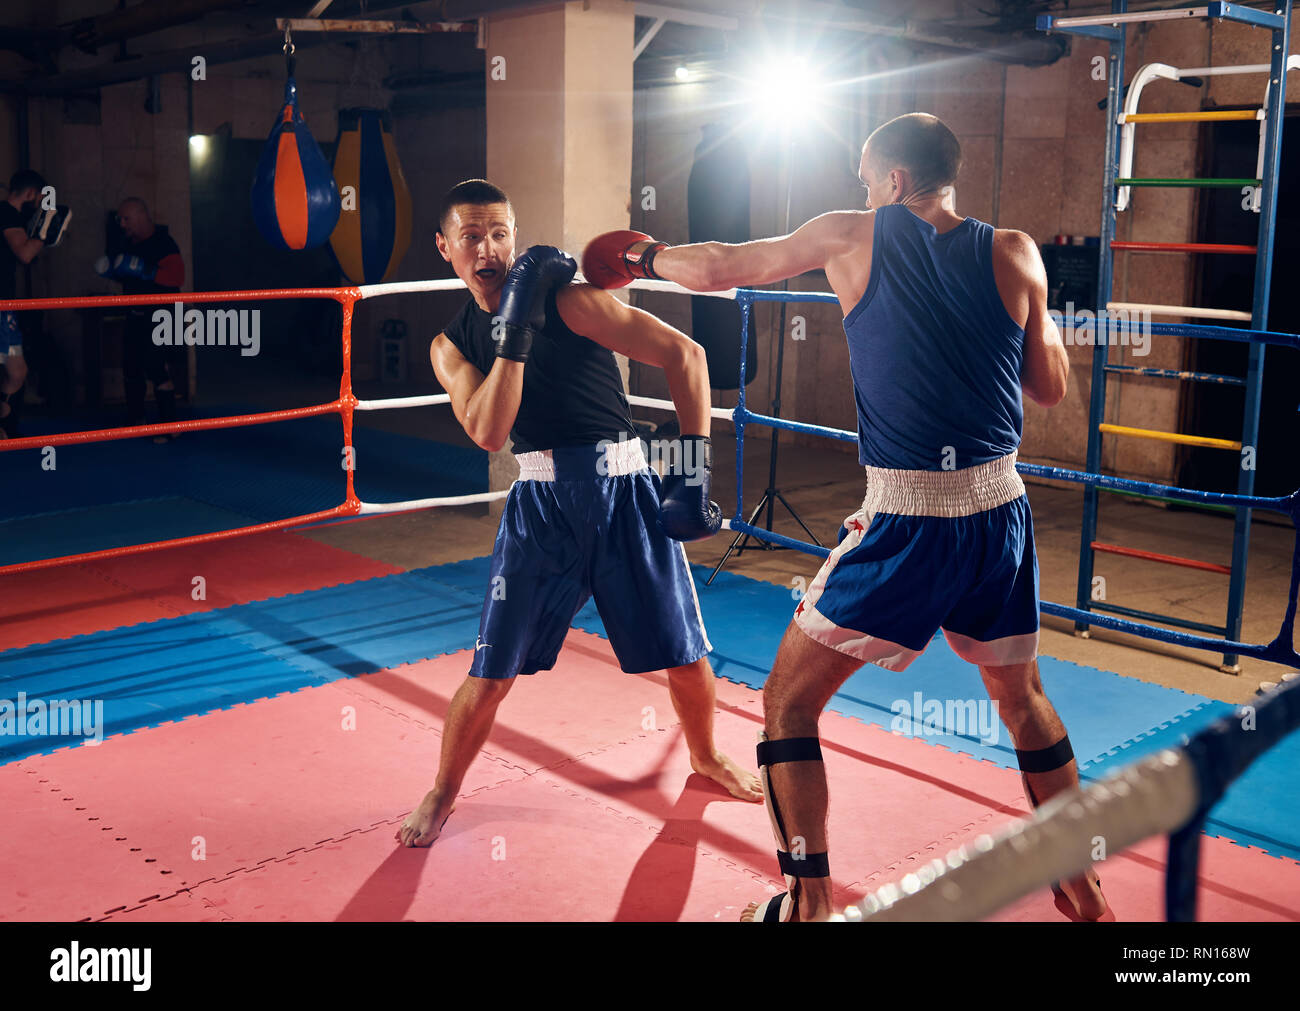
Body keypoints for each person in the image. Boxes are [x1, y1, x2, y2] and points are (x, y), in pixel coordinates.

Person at [583, 113, 1111, 922]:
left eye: (866, 178)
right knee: (1022, 698)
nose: (860, 191)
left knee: (786, 705)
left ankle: (808, 904)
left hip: (910, 519)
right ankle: (1083, 888)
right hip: (1001, 512)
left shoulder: (850, 235)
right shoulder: (1015, 251)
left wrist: (644, 256)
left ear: (894, 182)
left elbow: (722, 266)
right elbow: (1048, 389)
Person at [395, 179, 761, 849]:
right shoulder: (452, 346)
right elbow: (488, 431)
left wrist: (687, 475)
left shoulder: (569, 300)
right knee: (491, 668)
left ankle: (706, 755)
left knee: (681, 650)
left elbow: (688, 354)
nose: (489, 249)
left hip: (624, 492)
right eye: (472, 237)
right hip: (540, 507)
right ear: (445, 247)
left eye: (500, 233)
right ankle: (444, 789)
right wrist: (513, 339)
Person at [96, 197, 184, 439]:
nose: (122, 224)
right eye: (119, 219)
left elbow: (177, 277)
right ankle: (136, 420)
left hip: (161, 316)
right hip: (135, 313)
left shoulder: (163, 243)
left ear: (141, 216)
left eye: (126, 219)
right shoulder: (127, 244)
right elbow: (128, 276)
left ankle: (169, 427)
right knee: (131, 367)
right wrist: (112, 271)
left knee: (157, 368)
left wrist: (146, 270)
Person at [1, 169, 70, 438]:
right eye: (39, 198)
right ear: (30, 194)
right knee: (14, 370)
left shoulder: (12, 217)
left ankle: (3, 425)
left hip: (5, 303)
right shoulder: (5, 213)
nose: (40, 205)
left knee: (17, 371)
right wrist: (43, 232)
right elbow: (26, 253)